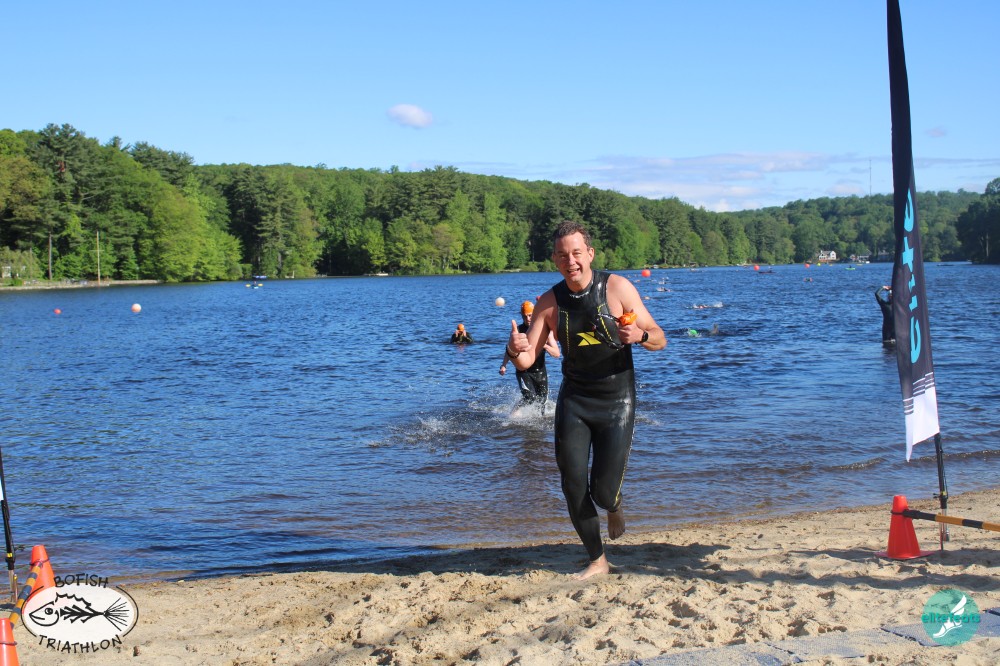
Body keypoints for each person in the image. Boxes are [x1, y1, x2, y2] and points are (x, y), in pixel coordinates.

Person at [506, 220, 666, 580]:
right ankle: (597, 559)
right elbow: (527, 359)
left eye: (577, 253)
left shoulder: (617, 288)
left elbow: (659, 338)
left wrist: (640, 336)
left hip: (617, 399)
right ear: (554, 259)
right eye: (563, 255)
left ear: (590, 254)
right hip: (575, 400)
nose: (571, 261)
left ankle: (613, 505)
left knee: (604, 492)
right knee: (573, 483)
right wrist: (514, 349)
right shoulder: (549, 302)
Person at [500, 301, 560, 407]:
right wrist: (504, 365)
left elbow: (556, 354)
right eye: (524, 316)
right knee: (529, 399)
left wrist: (544, 345)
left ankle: (539, 417)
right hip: (523, 372)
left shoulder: (545, 331)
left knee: (542, 401)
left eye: (530, 315)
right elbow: (509, 349)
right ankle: (513, 414)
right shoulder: (518, 331)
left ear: (535, 314)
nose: (527, 319)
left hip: (540, 371)